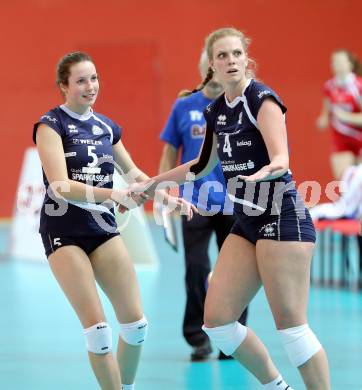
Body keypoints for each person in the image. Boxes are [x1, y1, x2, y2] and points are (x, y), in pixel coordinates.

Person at [129, 27, 330, 389]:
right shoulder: (216, 111)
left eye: (237, 53)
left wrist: (270, 169)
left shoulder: (262, 99)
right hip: (247, 221)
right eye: (222, 56)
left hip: (281, 216)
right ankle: (276, 386)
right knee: (218, 322)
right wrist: (151, 185)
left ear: (246, 58)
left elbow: (281, 156)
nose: (231, 60)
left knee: (291, 326)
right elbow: (199, 166)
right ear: (211, 66)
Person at [33, 51, 195, 390]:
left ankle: (127, 387)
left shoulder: (107, 127)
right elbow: (60, 186)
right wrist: (112, 196)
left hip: (101, 228)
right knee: (99, 333)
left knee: (136, 327)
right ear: (64, 86)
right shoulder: (51, 126)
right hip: (64, 230)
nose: (90, 86)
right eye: (80, 80)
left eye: (93, 78)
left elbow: (134, 174)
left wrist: (163, 196)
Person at [158, 50, 248, 361]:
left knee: (236, 272)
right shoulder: (184, 105)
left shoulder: (242, 103)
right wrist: (166, 188)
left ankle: (233, 335)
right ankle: (197, 336)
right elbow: (170, 152)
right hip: (193, 201)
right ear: (206, 67)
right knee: (196, 268)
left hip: (234, 201)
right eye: (215, 59)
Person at [316, 49, 362, 179]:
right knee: (344, 182)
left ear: (350, 64)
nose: (337, 65)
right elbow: (326, 112)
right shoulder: (329, 87)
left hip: (359, 138)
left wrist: (347, 117)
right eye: (334, 62)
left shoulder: (358, 86)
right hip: (340, 139)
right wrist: (323, 120)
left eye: (341, 61)